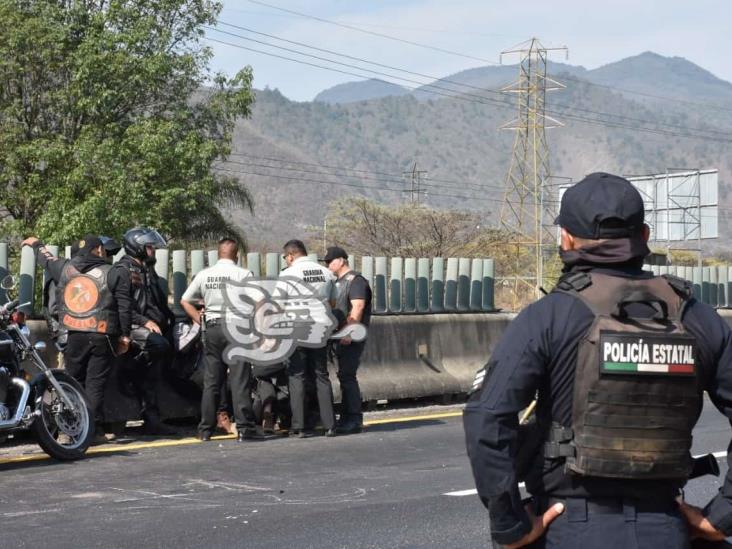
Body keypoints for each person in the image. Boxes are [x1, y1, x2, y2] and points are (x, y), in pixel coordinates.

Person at [463, 172, 732, 549]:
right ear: (645, 236)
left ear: (567, 239)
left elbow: (486, 418)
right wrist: (722, 516)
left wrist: (510, 526)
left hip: (570, 527)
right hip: (668, 527)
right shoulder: (697, 317)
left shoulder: (548, 317)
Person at [22, 235, 133, 444]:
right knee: (95, 384)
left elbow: (45, 259)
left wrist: (36, 244)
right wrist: (125, 336)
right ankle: (89, 432)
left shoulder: (64, 268)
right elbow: (125, 307)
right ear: (99, 250)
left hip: (73, 336)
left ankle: (69, 431)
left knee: (72, 383)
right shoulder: (116, 272)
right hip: (102, 334)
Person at [180, 237, 260, 442]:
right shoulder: (243, 274)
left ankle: (205, 429)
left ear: (218, 254)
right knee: (240, 379)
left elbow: (185, 300)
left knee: (212, 381)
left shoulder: (205, 274)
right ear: (236, 255)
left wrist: (199, 319)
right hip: (237, 328)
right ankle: (244, 428)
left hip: (213, 329)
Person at [116, 227, 176, 435]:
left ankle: (153, 419)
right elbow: (122, 306)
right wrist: (144, 321)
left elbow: (155, 302)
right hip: (133, 327)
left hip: (153, 327)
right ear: (137, 247)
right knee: (158, 347)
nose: (153, 251)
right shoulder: (123, 270)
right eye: (149, 247)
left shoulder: (147, 271)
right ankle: (130, 374)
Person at [280, 239, 337, 438]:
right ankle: (330, 424)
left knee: (297, 376)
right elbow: (332, 301)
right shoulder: (326, 272)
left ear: (290, 255)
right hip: (321, 326)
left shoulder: (287, 275)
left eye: (285, 258)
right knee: (321, 375)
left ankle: (300, 427)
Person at [325, 246, 372, 434]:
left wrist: (348, 332)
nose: (328, 265)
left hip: (351, 336)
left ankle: (354, 418)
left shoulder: (356, 281)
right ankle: (346, 416)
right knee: (343, 375)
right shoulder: (339, 282)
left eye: (330, 261)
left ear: (341, 260)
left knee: (347, 376)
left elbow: (358, 306)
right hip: (338, 334)